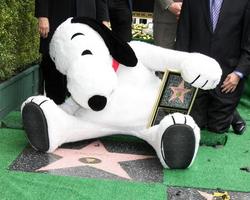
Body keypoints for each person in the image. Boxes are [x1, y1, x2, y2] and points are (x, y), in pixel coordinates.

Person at [176, 0, 250, 134]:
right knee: (195, 126)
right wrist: (181, 69)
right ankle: (230, 114)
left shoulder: (244, 2)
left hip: (228, 80)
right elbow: (183, 36)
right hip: (196, 78)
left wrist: (238, 73)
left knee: (217, 129)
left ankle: (230, 113)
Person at [35, 0, 109, 104]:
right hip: (57, 14)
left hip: (87, 16)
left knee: (84, 69)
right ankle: (54, 110)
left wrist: (103, 18)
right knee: (53, 64)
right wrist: (42, 15)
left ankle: (78, 115)